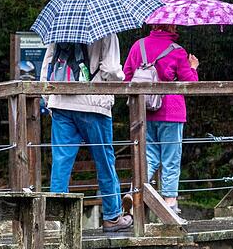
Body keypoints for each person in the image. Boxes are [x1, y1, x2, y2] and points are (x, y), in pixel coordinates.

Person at [40, 33, 134, 232]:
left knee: (61, 162)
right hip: (93, 103)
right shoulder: (107, 31)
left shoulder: (61, 29)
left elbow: (47, 66)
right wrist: (121, 77)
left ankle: (55, 219)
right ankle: (112, 217)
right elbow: (111, 70)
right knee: (104, 160)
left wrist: (49, 99)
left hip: (61, 101)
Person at [123, 24, 199, 214]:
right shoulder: (177, 51)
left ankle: (134, 194)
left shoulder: (137, 46)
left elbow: (126, 77)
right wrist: (193, 67)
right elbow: (190, 83)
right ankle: (169, 201)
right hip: (171, 111)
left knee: (148, 156)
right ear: (171, 25)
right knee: (171, 157)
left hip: (143, 111)